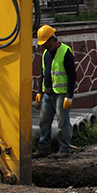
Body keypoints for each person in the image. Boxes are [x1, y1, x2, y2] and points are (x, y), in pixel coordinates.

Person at [34, 24, 75, 159]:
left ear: (52, 40)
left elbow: (72, 75)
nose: (44, 46)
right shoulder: (46, 54)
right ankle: (44, 148)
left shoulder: (65, 52)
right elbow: (43, 73)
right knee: (44, 122)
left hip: (61, 93)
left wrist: (69, 96)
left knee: (62, 122)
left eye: (45, 43)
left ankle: (65, 149)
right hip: (48, 93)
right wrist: (40, 91)